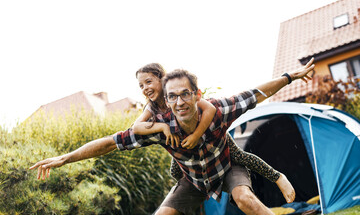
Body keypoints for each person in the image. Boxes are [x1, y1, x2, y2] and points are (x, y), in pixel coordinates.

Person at [30, 58, 314, 215]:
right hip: (192, 178)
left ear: (196, 95)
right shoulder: (156, 123)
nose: (179, 102)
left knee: (245, 199)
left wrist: (290, 76)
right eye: (172, 97)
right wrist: (65, 158)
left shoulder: (216, 109)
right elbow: (110, 142)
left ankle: (276, 181)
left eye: (184, 95)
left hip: (227, 167)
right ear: (166, 100)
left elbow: (256, 93)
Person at [133, 63, 294, 203]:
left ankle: (277, 176)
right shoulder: (151, 107)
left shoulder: (181, 92)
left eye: (148, 82)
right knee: (175, 172)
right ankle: (197, 189)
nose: (145, 88)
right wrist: (162, 128)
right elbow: (136, 127)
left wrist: (196, 135)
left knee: (239, 156)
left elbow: (210, 109)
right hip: (184, 147)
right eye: (141, 86)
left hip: (212, 132)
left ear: (162, 79)